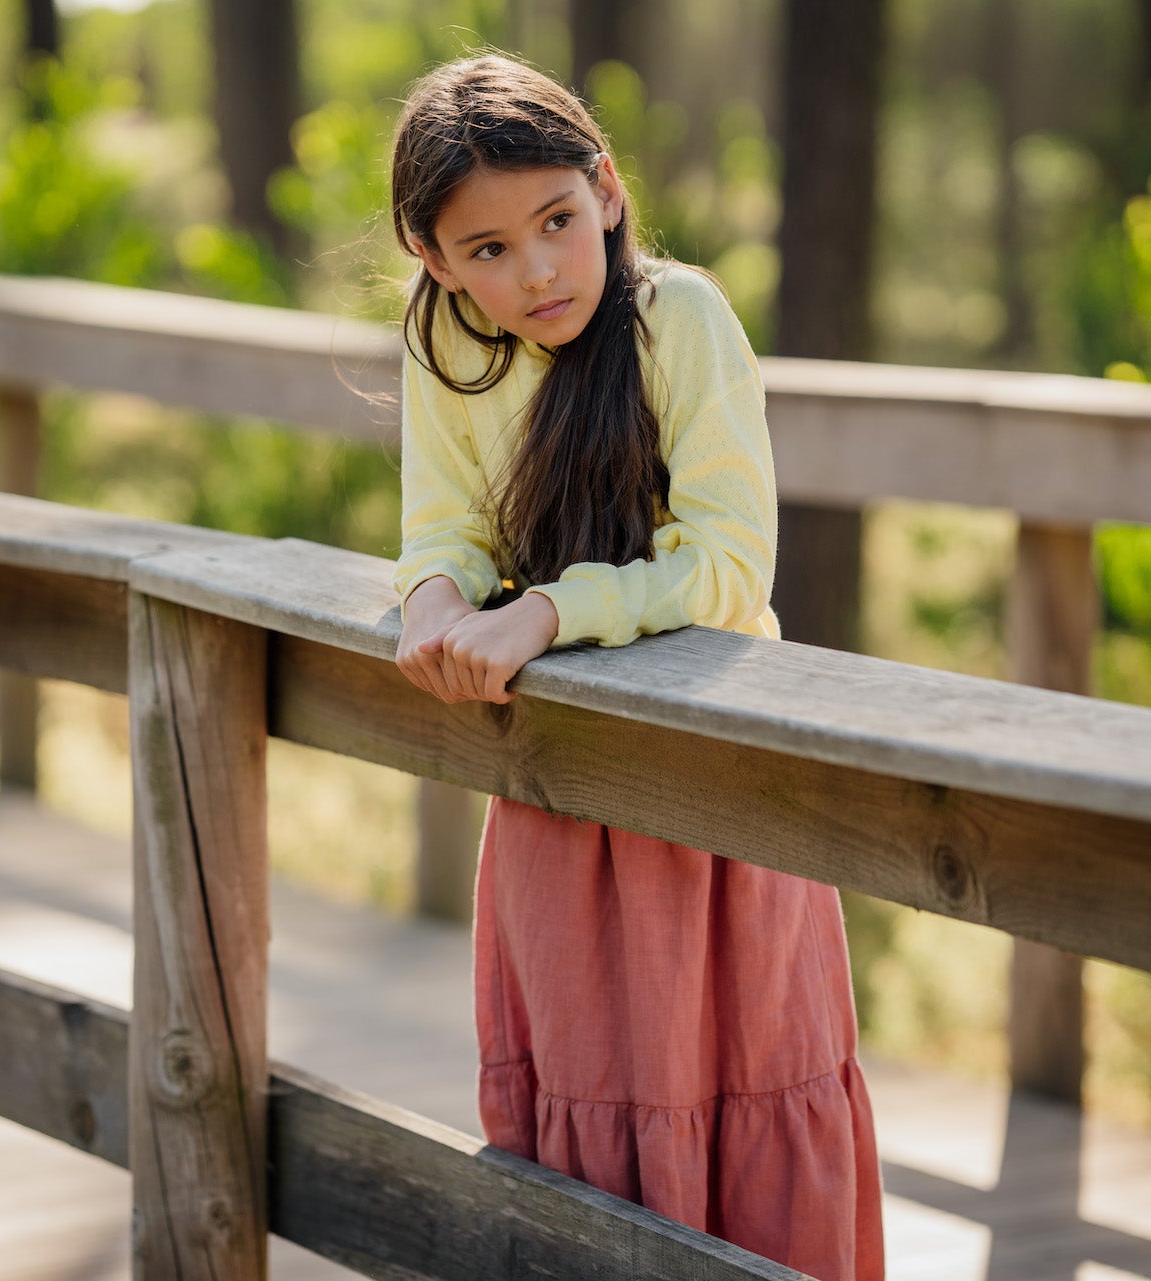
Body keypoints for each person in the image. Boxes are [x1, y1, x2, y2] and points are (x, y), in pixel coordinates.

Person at [386, 52, 885, 1281]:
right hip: (560, 789)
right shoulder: (453, 348)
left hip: (721, 787)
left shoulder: (680, 322)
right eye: (486, 249)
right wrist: (433, 596)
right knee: (590, 1108)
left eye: (556, 221)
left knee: (750, 1097)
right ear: (439, 262)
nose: (536, 270)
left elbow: (727, 567)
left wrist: (547, 612)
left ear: (606, 189)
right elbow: (442, 523)